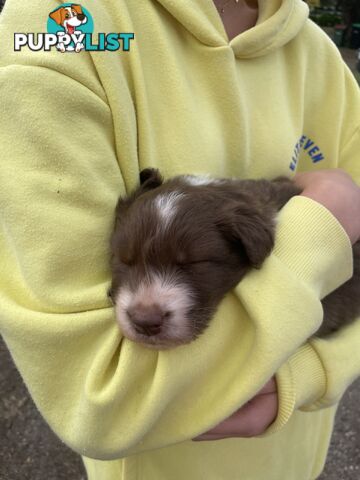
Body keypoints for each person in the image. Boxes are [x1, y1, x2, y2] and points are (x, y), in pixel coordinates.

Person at [0, 0, 359, 479]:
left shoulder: (321, 58)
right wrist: (323, 226)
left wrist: (311, 372)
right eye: (126, 264)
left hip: (296, 458)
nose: (144, 306)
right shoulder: (63, 21)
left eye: (189, 267)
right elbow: (100, 403)